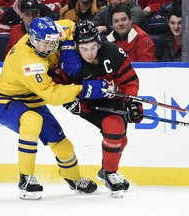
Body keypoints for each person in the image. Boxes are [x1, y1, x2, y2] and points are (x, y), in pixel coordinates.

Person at [0, 17, 108, 200]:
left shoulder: (50, 32)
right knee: (32, 120)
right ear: (32, 38)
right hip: (6, 102)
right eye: (44, 43)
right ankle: (26, 178)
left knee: (64, 146)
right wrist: (85, 89)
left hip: (33, 100)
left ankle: (74, 179)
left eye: (52, 43)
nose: (49, 48)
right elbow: (52, 96)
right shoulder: (28, 61)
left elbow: (71, 26)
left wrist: (68, 45)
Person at [52, 19, 143, 198]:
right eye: (84, 49)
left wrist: (133, 102)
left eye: (93, 47)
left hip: (114, 100)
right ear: (76, 46)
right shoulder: (70, 62)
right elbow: (55, 86)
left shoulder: (114, 53)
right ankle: (110, 174)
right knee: (114, 126)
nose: (89, 53)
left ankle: (106, 171)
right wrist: (70, 101)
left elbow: (130, 81)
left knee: (121, 139)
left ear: (99, 43)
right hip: (89, 105)